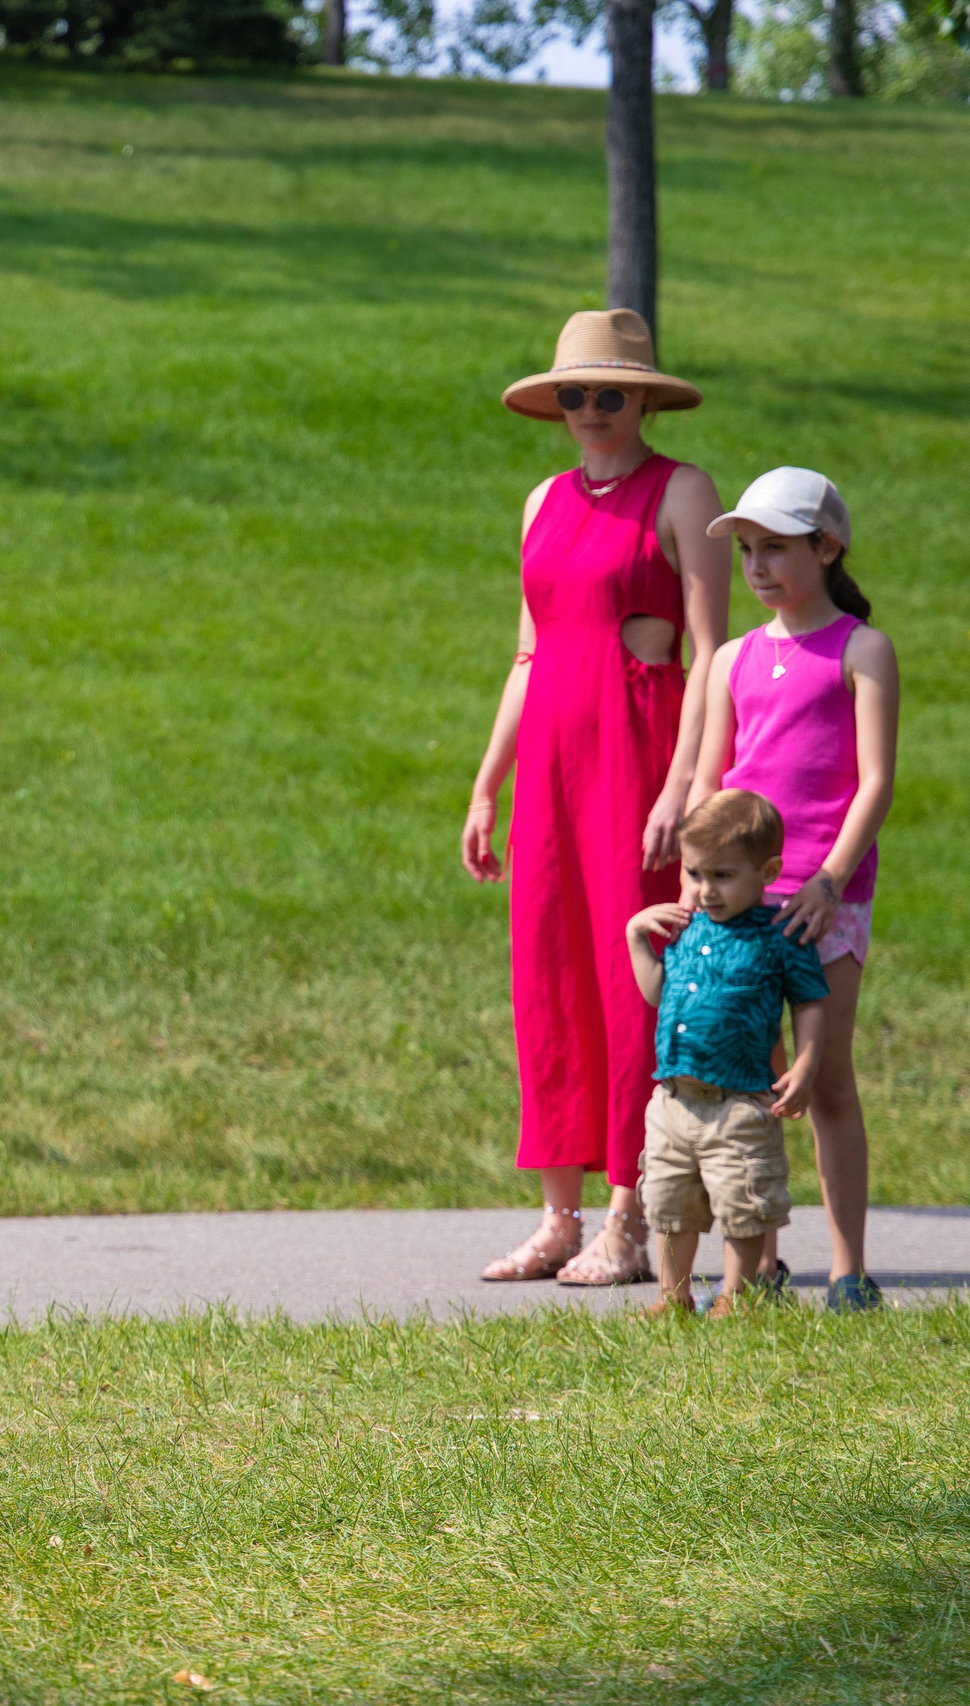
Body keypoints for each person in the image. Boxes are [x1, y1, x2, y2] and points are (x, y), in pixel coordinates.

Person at [465, 309, 730, 1286]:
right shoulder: (541, 499)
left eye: (608, 393)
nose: (589, 410)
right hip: (550, 761)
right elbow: (527, 652)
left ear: (644, 398)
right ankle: (556, 1213)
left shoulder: (681, 488)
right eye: (573, 394)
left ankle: (628, 1212)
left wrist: (687, 780)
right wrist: (486, 785)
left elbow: (711, 649)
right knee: (546, 968)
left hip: (637, 752)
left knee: (632, 976)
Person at [689, 468, 899, 1313]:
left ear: (826, 545)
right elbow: (711, 784)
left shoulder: (861, 648)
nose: (759, 566)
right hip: (739, 904)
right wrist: (692, 892)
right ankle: (760, 1266)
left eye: (775, 546)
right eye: (747, 550)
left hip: (824, 900)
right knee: (749, 1080)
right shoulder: (735, 657)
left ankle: (848, 1270)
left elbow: (876, 782)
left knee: (827, 1081)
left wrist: (828, 881)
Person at [625, 791, 829, 1318]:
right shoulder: (688, 928)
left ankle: (739, 1296)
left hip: (739, 1101)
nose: (704, 890)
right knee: (669, 1204)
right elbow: (659, 994)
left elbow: (809, 1002)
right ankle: (673, 1299)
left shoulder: (782, 936)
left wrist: (804, 1065)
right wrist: (637, 941)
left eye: (721, 875)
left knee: (743, 1203)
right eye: (694, 874)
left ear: (768, 871)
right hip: (673, 1098)